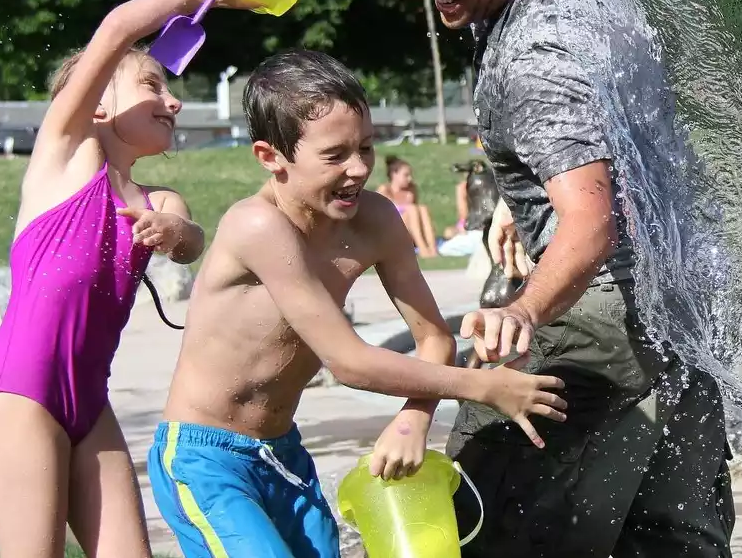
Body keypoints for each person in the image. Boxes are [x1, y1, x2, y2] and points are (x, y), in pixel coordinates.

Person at [410, 0, 735, 556]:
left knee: (488, 521)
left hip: (595, 321)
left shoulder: (533, 58)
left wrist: (525, 310)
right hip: (682, 311)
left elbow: (588, 223)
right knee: (675, 542)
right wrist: (516, 194)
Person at [146, 49, 567, 558]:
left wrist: (414, 417)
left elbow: (433, 337)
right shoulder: (255, 226)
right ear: (270, 156)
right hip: (205, 458)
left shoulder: (377, 222)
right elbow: (347, 361)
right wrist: (484, 386)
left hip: (283, 454)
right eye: (334, 155)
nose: (358, 168)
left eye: (365, 147)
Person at [0, 0, 236, 557]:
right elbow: (117, 29)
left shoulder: (156, 198)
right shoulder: (64, 158)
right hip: (19, 392)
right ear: (96, 104)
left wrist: (176, 234)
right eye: (153, 85)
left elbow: (191, 242)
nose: (174, 101)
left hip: (90, 402)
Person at [376, 154, 440, 257]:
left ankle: (433, 249)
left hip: (410, 233)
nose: (410, 179)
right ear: (394, 174)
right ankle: (423, 249)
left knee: (423, 209)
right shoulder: (384, 190)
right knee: (412, 209)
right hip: (391, 232)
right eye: (406, 175)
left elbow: (418, 220)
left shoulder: (411, 190)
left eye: (410, 175)